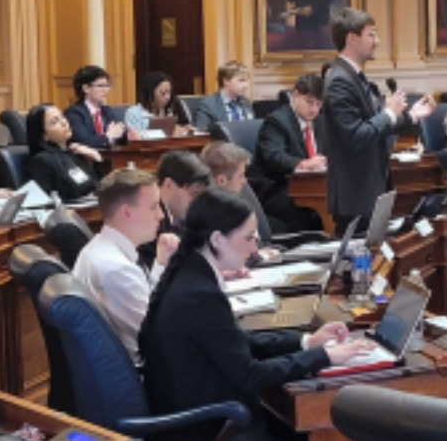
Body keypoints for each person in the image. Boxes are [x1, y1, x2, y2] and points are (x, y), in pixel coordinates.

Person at [140, 188, 371, 441]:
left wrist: (306, 341)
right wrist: (325, 357)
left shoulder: (190, 274)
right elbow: (250, 375)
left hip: (214, 414)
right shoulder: (198, 294)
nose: (254, 248)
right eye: (248, 238)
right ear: (216, 240)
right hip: (213, 435)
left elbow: (235, 342)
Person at [322, 8, 435, 236]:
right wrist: (389, 114)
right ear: (352, 38)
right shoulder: (339, 81)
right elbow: (356, 136)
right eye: (371, 35)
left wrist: (411, 116)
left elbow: (377, 127)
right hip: (354, 194)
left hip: (370, 189)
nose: (378, 41)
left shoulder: (355, 77)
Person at [73, 168, 178, 366]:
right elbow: (162, 335)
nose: (161, 215)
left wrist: (161, 263)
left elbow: (149, 304)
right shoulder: (116, 270)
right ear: (126, 212)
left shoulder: (102, 249)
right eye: (154, 207)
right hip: (151, 374)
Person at [255, 72, 326, 232]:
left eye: (319, 104)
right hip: (281, 188)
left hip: (317, 187)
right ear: (295, 95)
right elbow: (274, 156)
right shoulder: (276, 122)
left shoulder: (321, 122)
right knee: (305, 212)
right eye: (309, 102)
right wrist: (303, 164)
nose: (314, 109)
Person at [26, 104, 102, 202]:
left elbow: (100, 189)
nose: (64, 122)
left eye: (62, 116)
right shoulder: (41, 161)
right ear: (44, 135)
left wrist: (97, 158)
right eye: (55, 122)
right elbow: (44, 202)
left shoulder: (73, 153)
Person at [200, 140, 273, 244]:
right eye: (241, 175)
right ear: (221, 180)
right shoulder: (209, 218)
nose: (245, 181)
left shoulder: (238, 200)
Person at [64, 65, 126, 149]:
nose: (106, 90)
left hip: (110, 158)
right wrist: (108, 137)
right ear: (86, 88)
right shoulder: (74, 113)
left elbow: (119, 135)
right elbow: (84, 141)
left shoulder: (106, 111)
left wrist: (126, 133)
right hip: (85, 160)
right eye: (100, 86)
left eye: (107, 86)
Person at [125, 71, 191, 136]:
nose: (167, 97)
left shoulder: (175, 106)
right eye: (163, 93)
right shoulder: (134, 113)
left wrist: (185, 131)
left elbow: (188, 127)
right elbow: (134, 139)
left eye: (169, 93)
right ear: (149, 93)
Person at [193, 61, 254, 131]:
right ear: (226, 81)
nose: (246, 86)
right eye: (241, 81)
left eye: (247, 81)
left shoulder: (246, 102)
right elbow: (202, 133)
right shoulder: (208, 105)